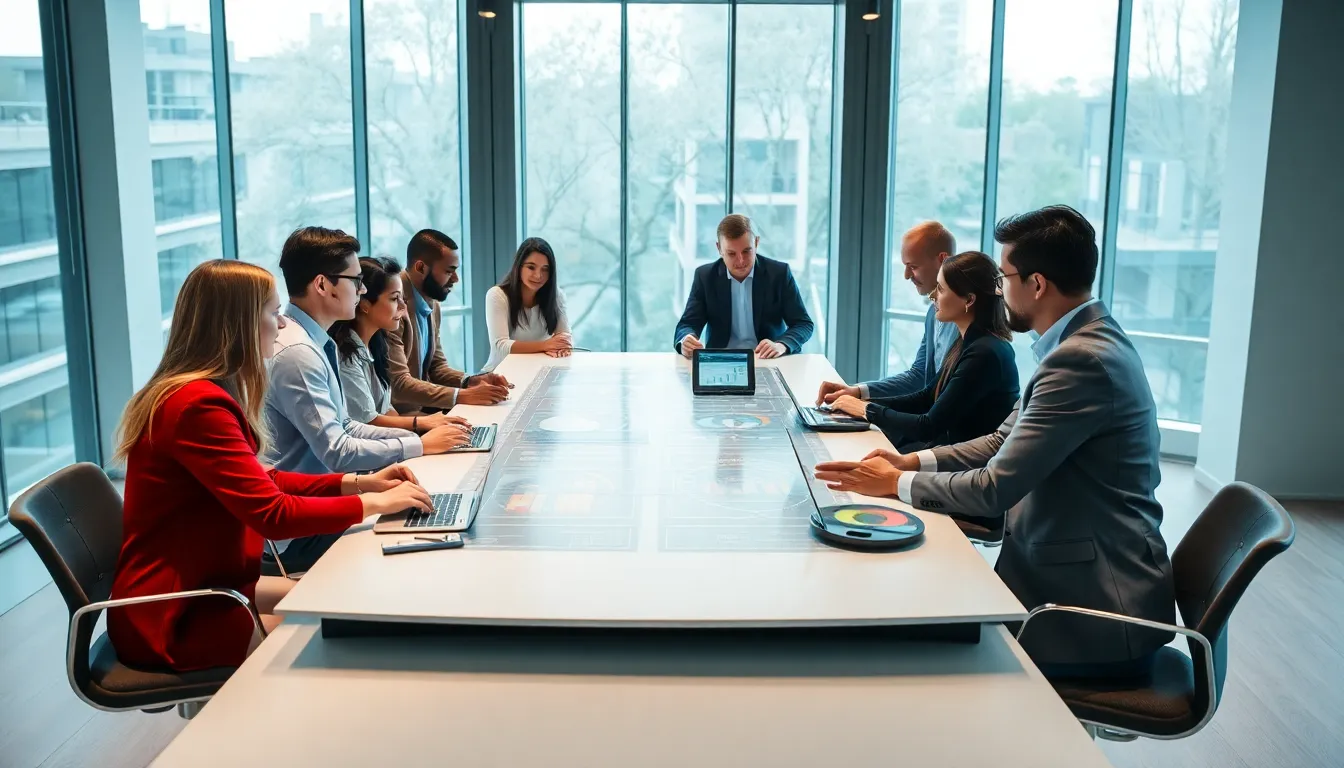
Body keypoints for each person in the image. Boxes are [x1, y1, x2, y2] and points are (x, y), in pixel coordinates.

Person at [815, 205, 1175, 679]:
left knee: (902, 643)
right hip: (1074, 577)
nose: (999, 290)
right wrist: (909, 464)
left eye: (1004, 277)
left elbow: (994, 488)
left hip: (1092, 612)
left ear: (1038, 284)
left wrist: (894, 487)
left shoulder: (1079, 362)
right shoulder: (1081, 345)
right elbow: (1001, 440)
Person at [107, 259, 434, 673]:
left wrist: (362, 484)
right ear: (237, 324)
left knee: (354, 603)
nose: (280, 324)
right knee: (342, 638)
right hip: (178, 614)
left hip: (211, 586)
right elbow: (272, 513)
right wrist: (377, 505)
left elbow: (266, 479)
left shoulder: (202, 393)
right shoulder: (195, 406)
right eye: (270, 312)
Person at [265, 226, 469, 574]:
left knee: (426, 515)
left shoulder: (316, 342)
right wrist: (419, 445)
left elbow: (345, 425)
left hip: (322, 503)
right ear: (323, 285)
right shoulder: (299, 352)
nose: (361, 290)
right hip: (300, 533)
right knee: (424, 549)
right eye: (355, 280)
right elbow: (338, 450)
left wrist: (415, 441)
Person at [827, 251, 1018, 451]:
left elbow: (929, 426)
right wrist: (859, 401)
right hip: (948, 449)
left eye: (941, 289)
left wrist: (866, 409)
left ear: (969, 300)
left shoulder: (985, 353)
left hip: (963, 464)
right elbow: (926, 397)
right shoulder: (967, 343)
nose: (932, 295)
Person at [815, 221, 959, 405]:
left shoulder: (966, 320)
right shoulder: (933, 313)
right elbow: (918, 376)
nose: (907, 275)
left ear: (943, 259)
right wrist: (856, 391)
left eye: (913, 266)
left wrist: (866, 409)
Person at [330, 255, 476, 435]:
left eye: (402, 299)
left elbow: (386, 408)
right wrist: (424, 423)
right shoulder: (347, 356)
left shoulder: (376, 343)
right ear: (365, 305)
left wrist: (428, 427)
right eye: (394, 299)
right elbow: (369, 421)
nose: (402, 307)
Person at [388, 229, 512, 412]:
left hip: (422, 408)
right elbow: (398, 385)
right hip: (397, 416)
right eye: (449, 271)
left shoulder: (432, 304)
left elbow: (436, 367)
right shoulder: (393, 304)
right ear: (421, 268)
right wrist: (463, 396)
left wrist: (472, 381)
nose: (456, 279)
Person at [673, 213, 814, 360]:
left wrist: (781, 344)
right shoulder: (705, 277)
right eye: (731, 253)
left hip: (767, 359)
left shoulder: (779, 274)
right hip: (721, 361)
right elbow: (687, 324)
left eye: (747, 251)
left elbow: (803, 324)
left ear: (757, 243)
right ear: (719, 249)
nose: (740, 261)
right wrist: (686, 340)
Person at [483, 237, 573, 372]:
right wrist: (545, 346)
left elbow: (564, 338)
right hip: (499, 375)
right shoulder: (497, 295)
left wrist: (561, 347)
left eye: (545, 269)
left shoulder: (556, 295)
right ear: (518, 266)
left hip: (540, 372)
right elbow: (500, 347)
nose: (538, 275)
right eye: (531, 267)